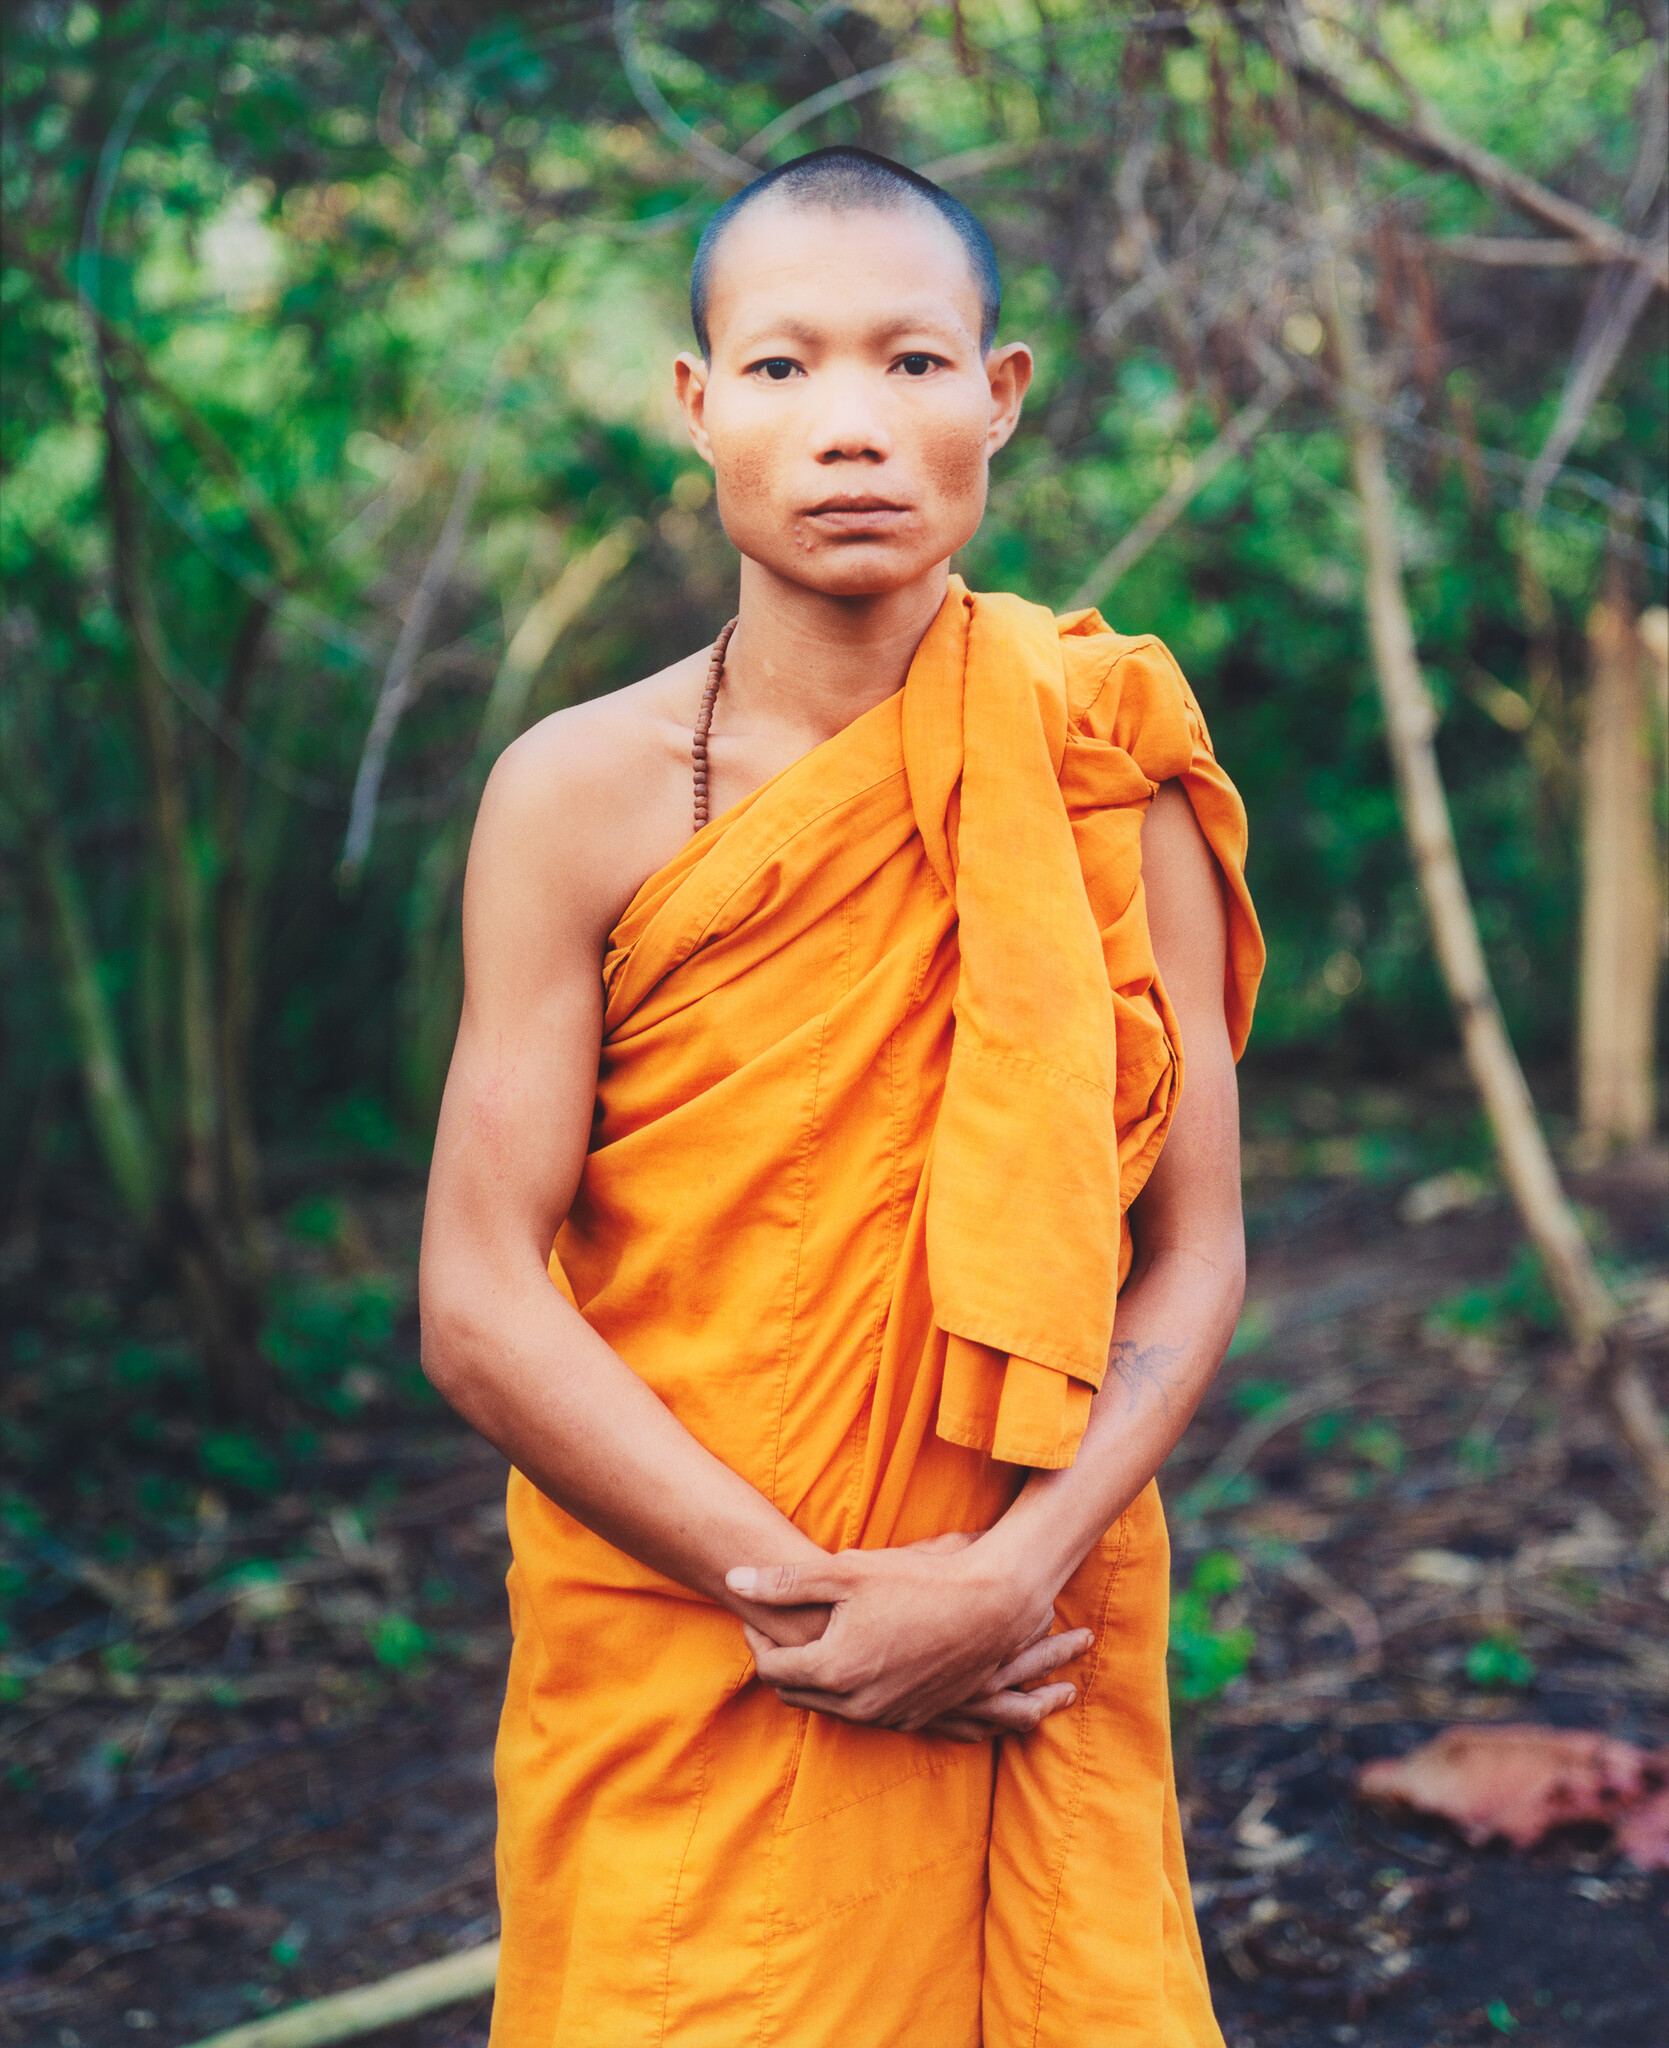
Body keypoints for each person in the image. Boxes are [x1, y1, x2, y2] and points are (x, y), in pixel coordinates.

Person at [420, 146, 1263, 2048]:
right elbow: (477, 1301)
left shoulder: (1101, 767)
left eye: (911, 363)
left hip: (1023, 1633)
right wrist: (815, 1608)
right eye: (784, 370)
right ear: (698, 410)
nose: (852, 428)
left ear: (1002, 396)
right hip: (687, 1636)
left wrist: (992, 1585)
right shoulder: (578, 794)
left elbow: (1197, 1256)